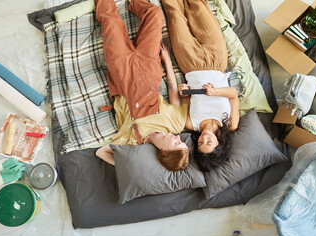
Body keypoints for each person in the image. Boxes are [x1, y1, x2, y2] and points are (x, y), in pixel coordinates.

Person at [94, 0, 190, 171]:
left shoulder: (133, 142)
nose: (178, 138)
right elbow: (172, 89)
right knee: (155, 14)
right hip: (149, 65)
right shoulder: (176, 125)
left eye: (177, 143)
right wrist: (166, 60)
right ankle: (132, 2)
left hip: (121, 70)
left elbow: (101, 153)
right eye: (181, 141)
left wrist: (128, 166)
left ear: (165, 151)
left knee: (110, 20)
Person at [161, 0, 240, 172]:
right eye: (209, 142)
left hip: (190, 63)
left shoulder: (191, 123)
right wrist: (216, 92)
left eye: (201, 143)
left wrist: (184, 91)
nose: (204, 138)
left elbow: (186, 98)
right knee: (198, 7)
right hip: (217, 60)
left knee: (174, 13)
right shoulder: (230, 124)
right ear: (219, 144)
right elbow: (234, 94)